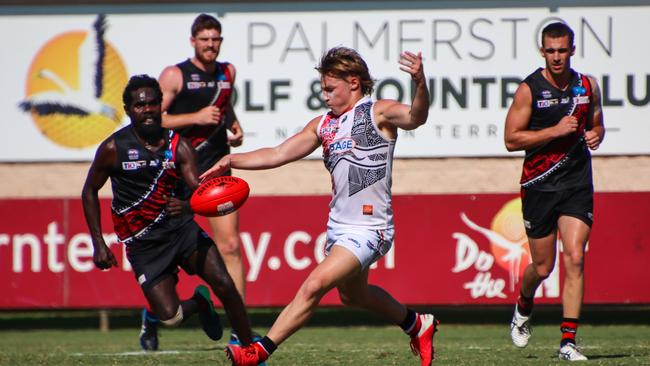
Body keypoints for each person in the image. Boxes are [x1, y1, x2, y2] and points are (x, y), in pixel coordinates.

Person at [200, 46, 438, 366]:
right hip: (339, 228)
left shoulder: (378, 112)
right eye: (322, 89)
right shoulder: (323, 125)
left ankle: (257, 352)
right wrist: (231, 159)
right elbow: (278, 153)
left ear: (354, 83)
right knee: (354, 296)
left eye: (330, 89)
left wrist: (420, 82)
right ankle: (416, 324)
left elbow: (415, 117)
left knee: (315, 284)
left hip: (371, 229)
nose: (325, 96)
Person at [81, 74, 253, 352]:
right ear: (128, 110)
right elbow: (88, 192)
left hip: (181, 230)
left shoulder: (179, 145)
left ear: (161, 105)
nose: (147, 110)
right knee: (170, 317)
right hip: (143, 243)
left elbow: (196, 191)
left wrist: (188, 206)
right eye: (139, 105)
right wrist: (99, 244)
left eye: (152, 104)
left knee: (225, 284)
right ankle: (199, 303)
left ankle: (250, 350)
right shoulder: (114, 149)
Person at [504, 22, 604, 361]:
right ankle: (523, 304)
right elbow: (511, 140)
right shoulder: (529, 89)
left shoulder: (587, 85)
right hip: (539, 184)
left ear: (572, 50)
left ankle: (568, 342)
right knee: (543, 267)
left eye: (563, 50)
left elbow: (597, 122)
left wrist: (596, 134)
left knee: (575, 257)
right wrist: (554, 130)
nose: (557, 56)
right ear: (542, 51)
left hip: (576, 182)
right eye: (551, 50)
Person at [152, 13, 248, 347]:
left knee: (232, 246)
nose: (211, 44)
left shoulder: (228, 72)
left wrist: (233, 126)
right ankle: (153, 315)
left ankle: (239, 329)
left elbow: (224, 105)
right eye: (205, 39)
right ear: (193, 41)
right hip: (177, 172)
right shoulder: (175, 74)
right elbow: (152, 120)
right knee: (165, 256)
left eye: (216, 39)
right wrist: (195, 117)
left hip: (216, 171)